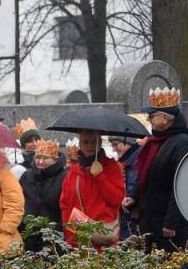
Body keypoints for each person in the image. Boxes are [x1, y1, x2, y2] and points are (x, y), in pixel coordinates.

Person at [124, 88, 188, 251]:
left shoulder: (181, 143)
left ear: (165, 118)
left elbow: (182, 188)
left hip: (169, 228)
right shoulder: (154, 142)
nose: (149, 118)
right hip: (150, 220)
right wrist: (134, 197)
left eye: (152, 115)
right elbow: (145, 175)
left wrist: (171, 223)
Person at [59, 129, 125, 250]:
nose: (90, 145)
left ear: (99, 143)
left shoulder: (111, 167)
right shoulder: (73, 171)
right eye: (86, 142)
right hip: (78, 238)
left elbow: (116, 199)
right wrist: (69, 234)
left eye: (94, 142)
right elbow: (65, 204)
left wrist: (100, 176)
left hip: (103, 238)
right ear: (80, 144)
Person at [18, 137, 68, 250]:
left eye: (45, 158)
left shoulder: (65, 177)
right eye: (38, 157)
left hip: (55, 238)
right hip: (29, 236)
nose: (40, 162)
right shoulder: (27, 176)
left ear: (55, 159)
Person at [112, 134, 142, 240]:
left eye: (116, 144)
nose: (114, 149)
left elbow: (133, 183)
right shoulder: (130, 158)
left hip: (131, 213)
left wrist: (130, 199)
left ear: (127, 141)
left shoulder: (136, 158)